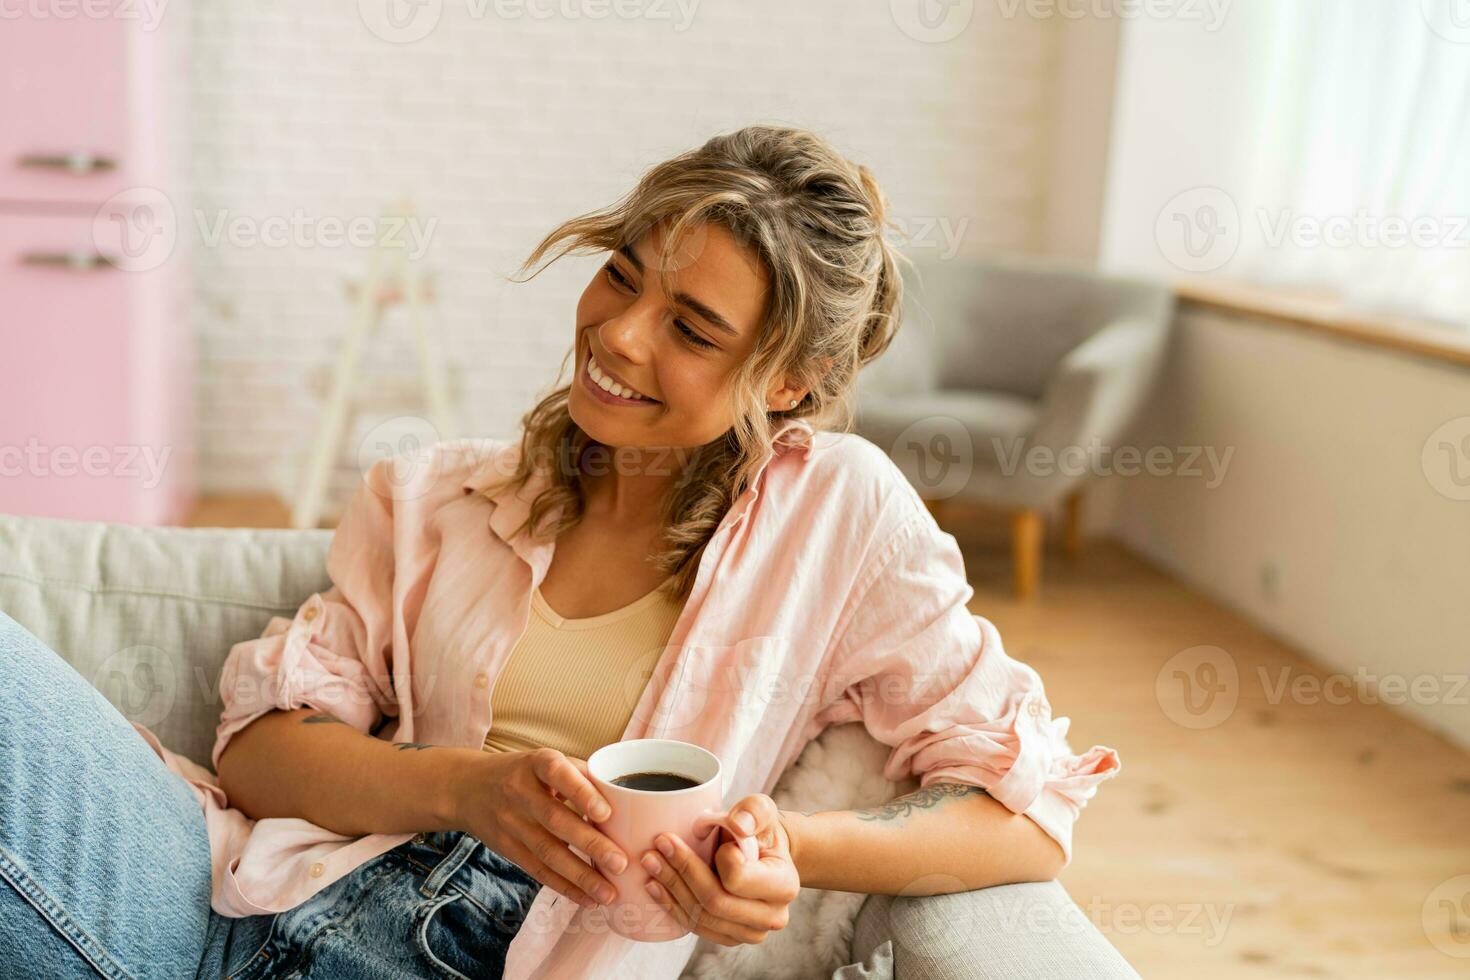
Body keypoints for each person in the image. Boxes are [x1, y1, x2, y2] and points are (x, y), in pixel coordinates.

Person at [0, 124, 1121, 980]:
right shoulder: (438, 492)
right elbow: (257, 751)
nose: (621, 334)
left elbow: (1022, 812)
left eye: (691, 327)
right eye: (622, 272)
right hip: (214, 905)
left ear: (788, 382)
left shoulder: (839, 514)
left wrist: (788, 845)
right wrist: (462, 787)